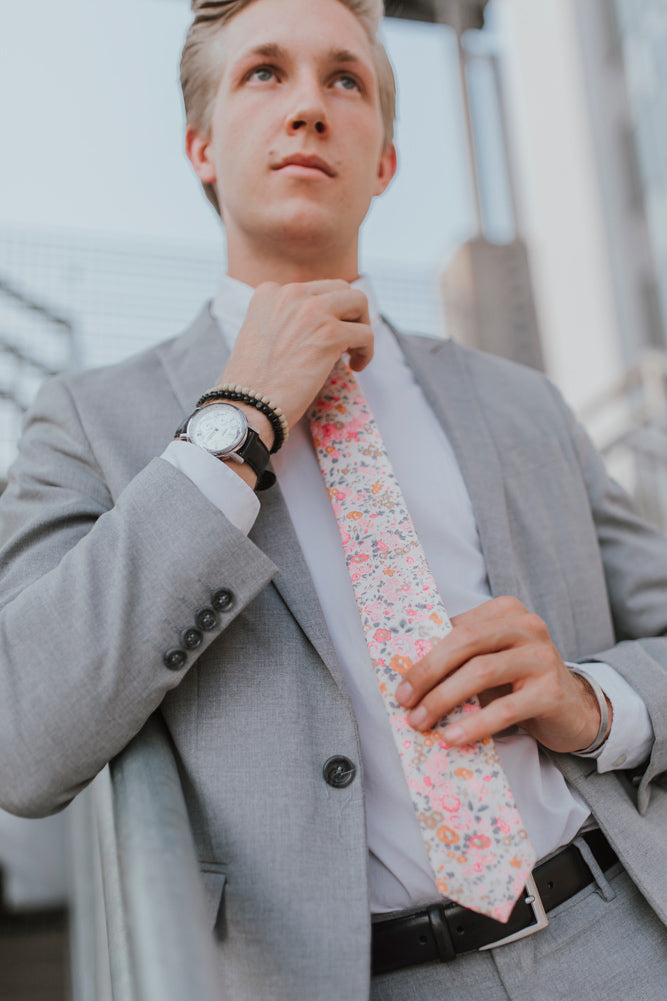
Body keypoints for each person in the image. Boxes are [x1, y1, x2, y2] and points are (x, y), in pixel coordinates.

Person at [1, 0, 666, 997]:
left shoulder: (524, 404)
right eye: (263, 73)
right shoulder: (90, 420)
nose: (309, 105)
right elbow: (22, 736)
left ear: (385, 161)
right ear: (200, 146)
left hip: (618, 936)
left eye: (344, 79)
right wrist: (239, 414)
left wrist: (596, 700)